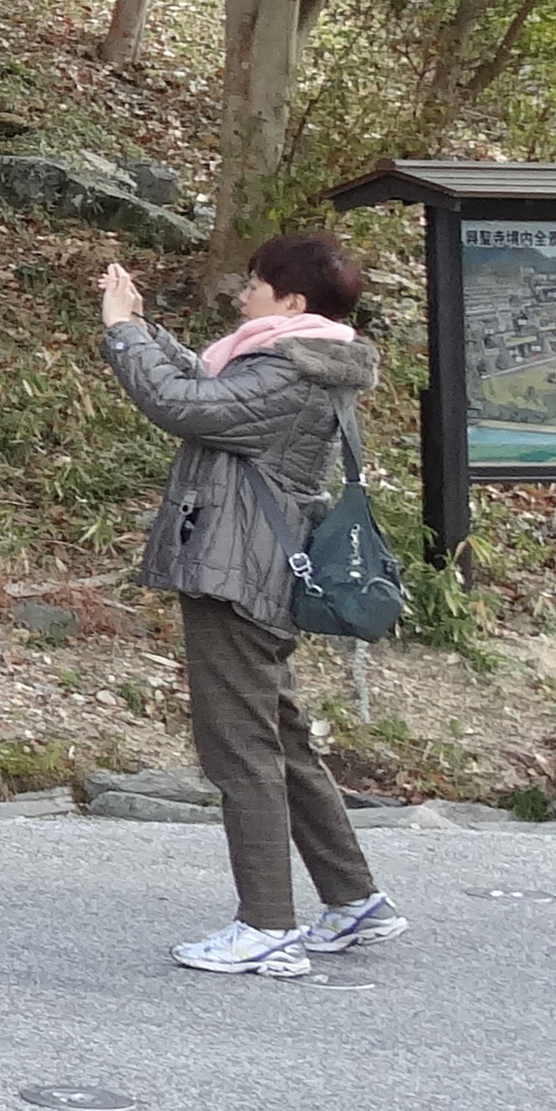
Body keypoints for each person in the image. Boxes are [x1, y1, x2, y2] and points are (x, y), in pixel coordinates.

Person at [99, 229, 406, 979]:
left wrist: (121, 336)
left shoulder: (289, 374)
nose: (243, 293)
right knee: (283, 739)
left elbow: (179, 405)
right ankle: (354, 898)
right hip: (256, 564)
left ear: (293, 302)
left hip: (239, 572)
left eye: (257, 284)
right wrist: (140, 327)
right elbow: (205, 390)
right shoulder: (292, 362)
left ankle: (266, 923)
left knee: (241, 749)